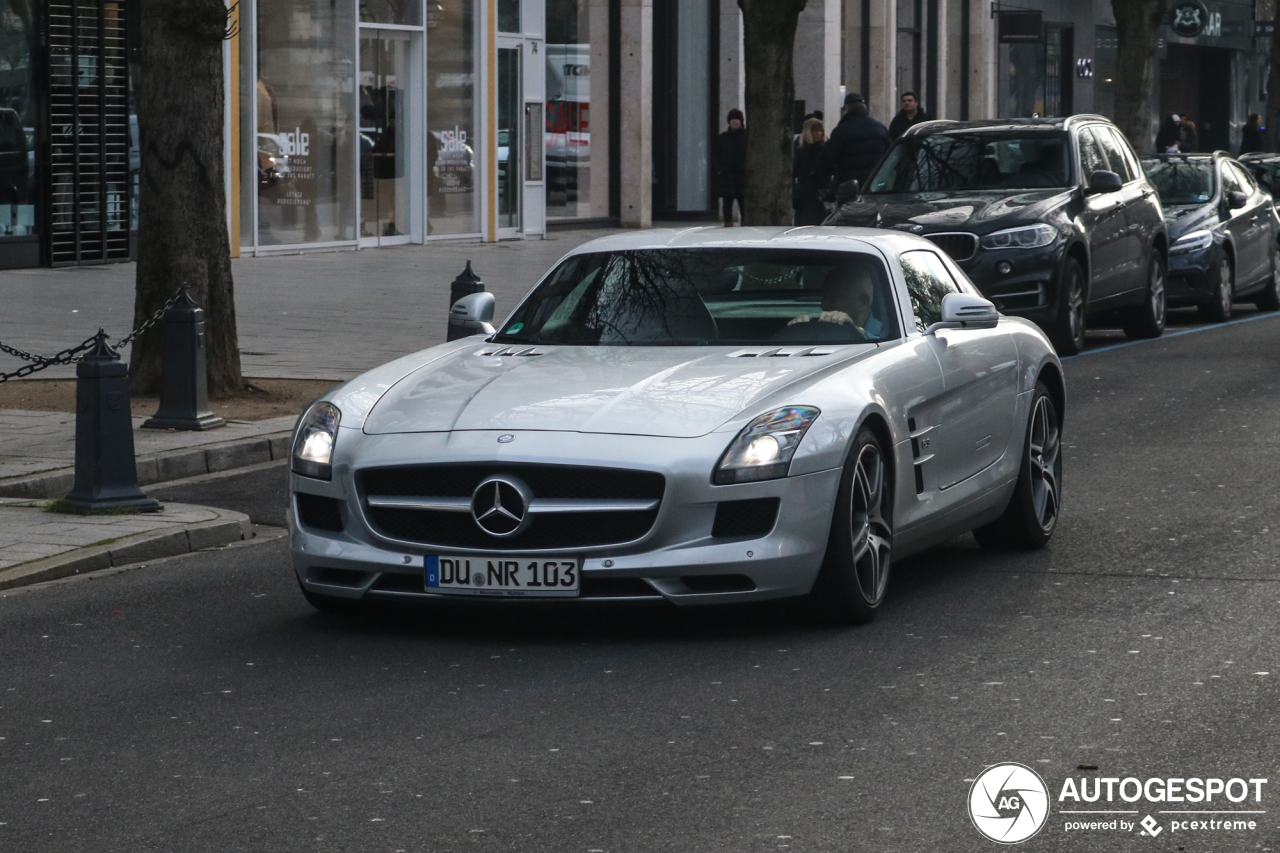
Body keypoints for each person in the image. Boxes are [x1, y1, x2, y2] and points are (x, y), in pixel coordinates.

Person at [820, 92, 890, 198]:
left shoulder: (841, 131)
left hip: (848, 187)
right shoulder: (880, 128)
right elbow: (890, 156)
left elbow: (826, 160)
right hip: (875, 186)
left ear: (847, 108)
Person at [787, 266, 884, 338]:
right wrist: (799, 330)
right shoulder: (822, 327)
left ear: (863, 303)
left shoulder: (888, 334)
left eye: (835, 297)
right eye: (824, 296)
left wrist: (856, 332)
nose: (823, 305)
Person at [792, 118, 828, 226]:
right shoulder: (801, 151)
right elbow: (794, 173)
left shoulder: (827, 149)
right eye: (815, 131)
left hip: (822, 193)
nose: (818, 133)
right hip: (805, 194)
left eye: (820, 130)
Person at [714, 109, 747, 226]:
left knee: (743, 201)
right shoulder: (723, 137)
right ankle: (727, 223)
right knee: (727, 201)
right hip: (727, 175)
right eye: (732, 119)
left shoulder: (746, 136)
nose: (734, 121)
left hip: (742, 175)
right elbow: (717, 155)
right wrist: (720, 170)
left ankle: (745, 224)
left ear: (741, 121)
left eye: (737, 119)